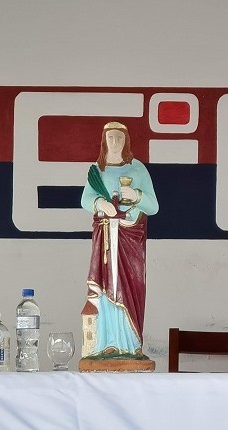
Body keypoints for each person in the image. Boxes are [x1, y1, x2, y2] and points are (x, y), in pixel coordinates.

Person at [79, 122, 159, 359]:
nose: (115, 142)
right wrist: (99, 203)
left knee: (130, 286)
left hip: (130, 239)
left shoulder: (138, 169)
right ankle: (106, 343)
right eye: (111, 137)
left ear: (127, 141)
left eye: (119, 138)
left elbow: (153, 206)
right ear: (104, 141)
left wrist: (137, 195)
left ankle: (130, 344)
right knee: (106, 286)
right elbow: (85, 199)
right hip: (105, 238)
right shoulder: (98, 170)